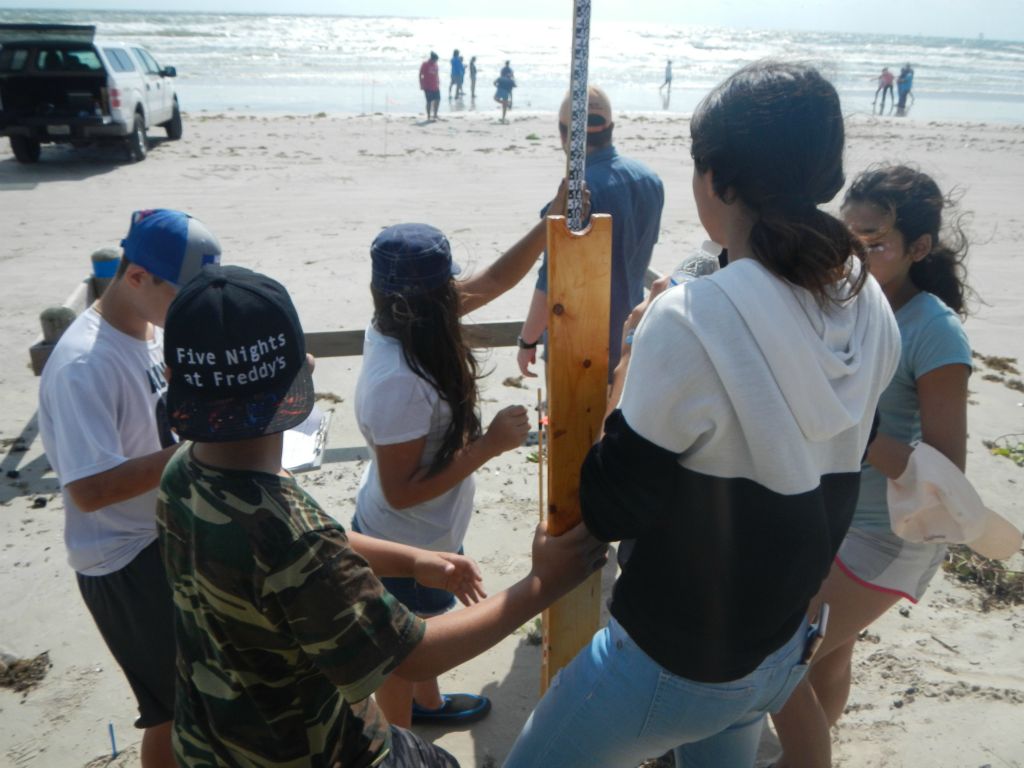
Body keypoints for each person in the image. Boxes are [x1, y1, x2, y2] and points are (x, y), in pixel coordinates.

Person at [503, 60, 901, 768]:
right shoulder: (864, 297)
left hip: (669, 662)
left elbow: (611, 505)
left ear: (718, 181)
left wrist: (629, 358)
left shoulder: (692, 317)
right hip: (778, 647)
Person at [156, 264, 607, 768]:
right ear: (303, 370)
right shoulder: (294, 540)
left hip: (210, 743)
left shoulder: (183, 472)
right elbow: (416, 654)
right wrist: (542, 584)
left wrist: (410, 560)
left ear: (174, 380)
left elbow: (310, 541)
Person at [353, 181, 583, 728]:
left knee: (418, 630)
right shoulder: (398, 382)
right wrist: (489, 446)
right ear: (426, 297)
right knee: (403, 657)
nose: (459, 291)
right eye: (447, 286)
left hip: (430, 528)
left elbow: (500, 278)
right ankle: (400, 744)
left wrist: (550, 220)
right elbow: (401, 491)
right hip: (403, 542)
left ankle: (427, 706)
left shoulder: (404, 319)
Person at [770, 165, 974, 767]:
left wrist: (852, 426)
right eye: (847, 238)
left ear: (919, 248)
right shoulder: (848, 304)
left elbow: (946, 473)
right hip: (832, 517)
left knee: (776, 655)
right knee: (829, 655)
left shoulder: (933, 331)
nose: (855, 254)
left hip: (888, 534)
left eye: (874, 242)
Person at [37, 209, 222, 768]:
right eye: (183, 296)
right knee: (172, 709)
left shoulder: (148, 327)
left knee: (201, 691)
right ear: (137, 276)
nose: (190, 312)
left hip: (164, 532)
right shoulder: (82, 366)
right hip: (122, 557)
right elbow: (90, 491)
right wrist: (204, 448)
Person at [517, 85, 664, 380]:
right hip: (631, 337)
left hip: (577, 347)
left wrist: (528, 340)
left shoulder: (576, 196)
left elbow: (550, 281)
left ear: (564, 134)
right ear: (611, 129)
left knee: (570, 426)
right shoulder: (650, 181)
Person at [419, 51, 441, 121]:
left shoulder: (436, 65)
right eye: (435, 60)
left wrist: (438, 81)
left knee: (438, 99)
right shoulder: (425, 64)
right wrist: (421, 84)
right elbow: (420, 74)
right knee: (429, 101)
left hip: (435, 85)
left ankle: (435, 114)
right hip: (427, 86)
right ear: (432, 59)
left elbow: (437, 74)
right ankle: (428, 116)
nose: (436, 61)